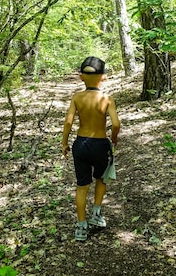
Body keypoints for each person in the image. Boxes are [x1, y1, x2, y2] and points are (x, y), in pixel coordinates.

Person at [62, 56, 121, 241]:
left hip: (80, 144)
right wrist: (113, 138)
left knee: (82, 186)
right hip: (100, 144)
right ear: (103, 77)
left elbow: (68, 122)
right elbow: (116, 123)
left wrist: (64, 142)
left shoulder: (77, 97)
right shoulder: (107, 98)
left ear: (81, 78)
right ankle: (96, 213)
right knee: (101, 179)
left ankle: (81, 226)